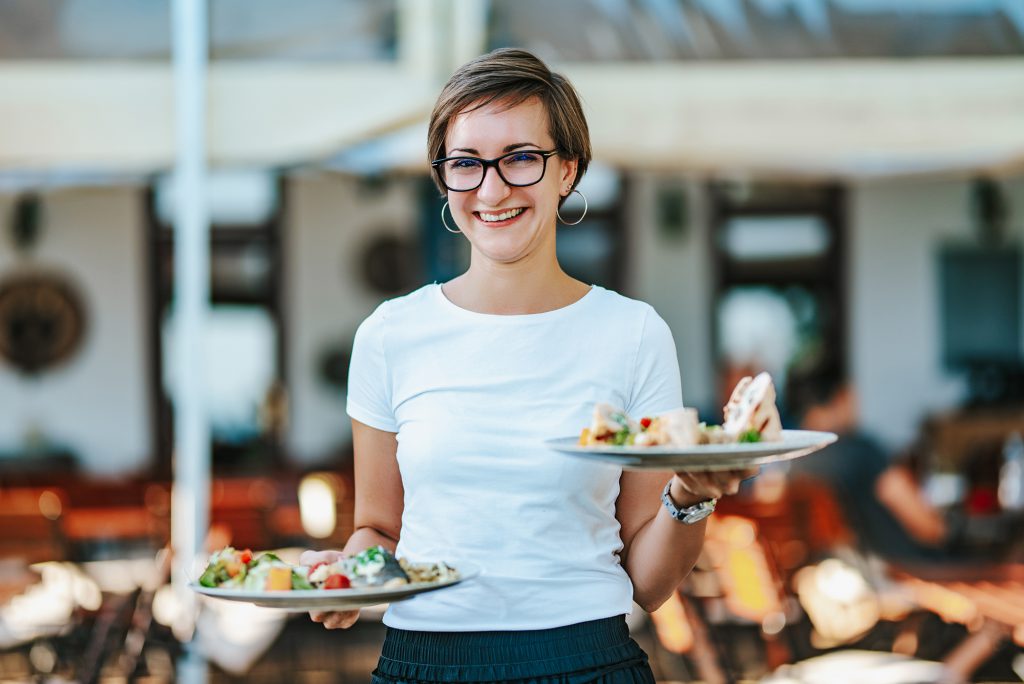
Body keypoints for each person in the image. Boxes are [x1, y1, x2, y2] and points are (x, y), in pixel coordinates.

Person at [301, 48, 755, 683]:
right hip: (423, 663)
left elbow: (649, 587)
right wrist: (348, 580)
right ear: (444, 180)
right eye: (466, 163)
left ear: (567, 170)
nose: (492, 188)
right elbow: (378, 531)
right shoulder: (389, 336)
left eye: (520, 157)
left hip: (585, 660)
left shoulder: (633, 334)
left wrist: (690, 497)